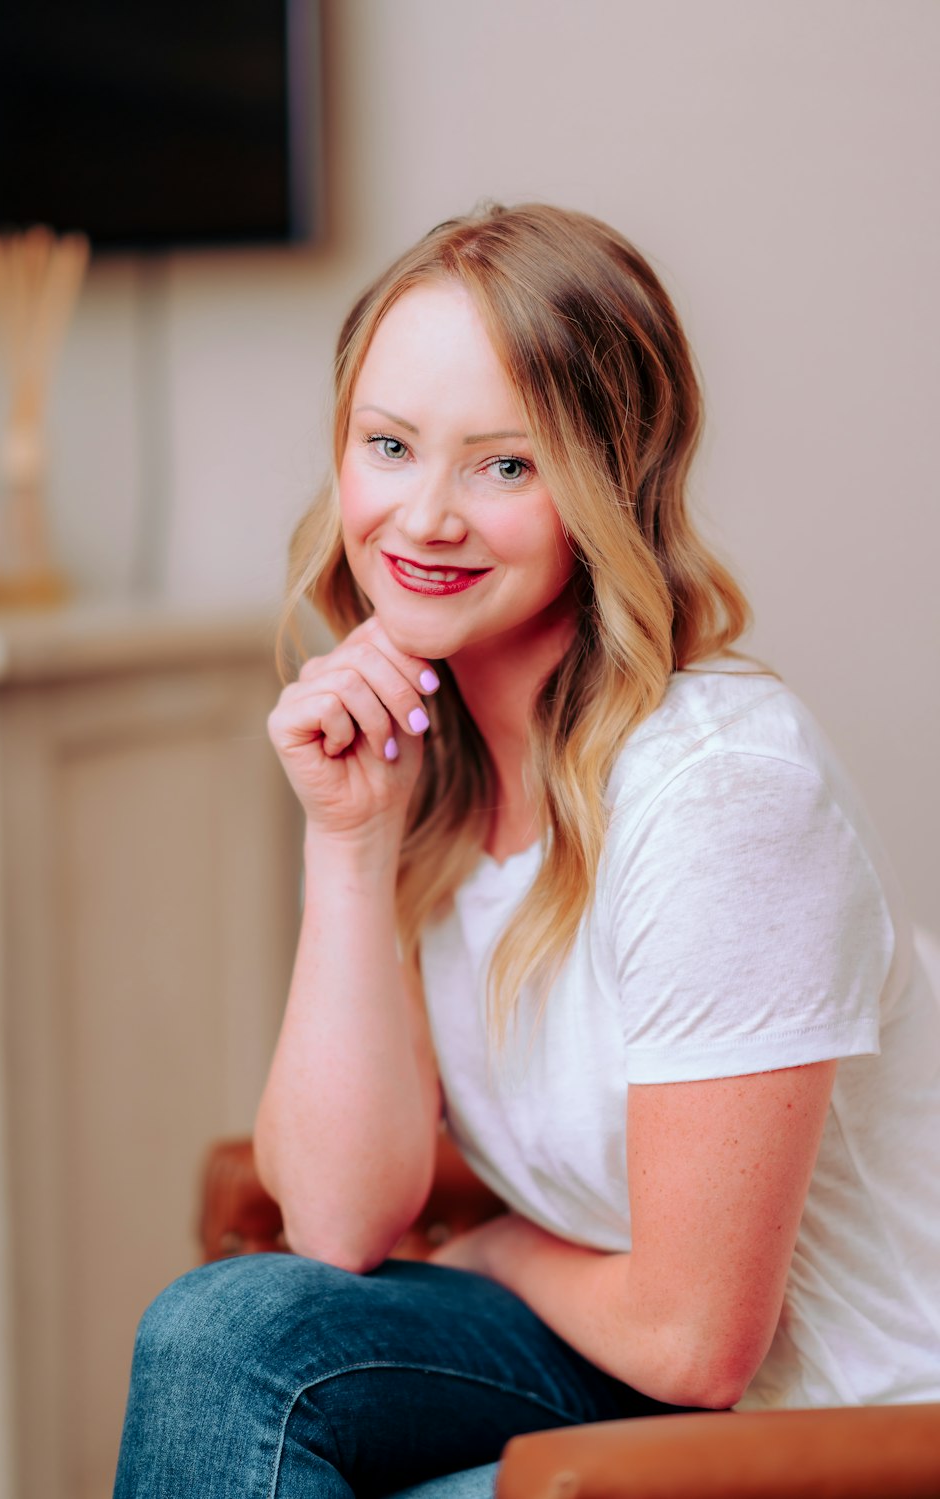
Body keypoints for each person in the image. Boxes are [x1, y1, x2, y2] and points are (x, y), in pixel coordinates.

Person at [113, 203, 940, 1499]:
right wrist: (349, 845)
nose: (424, 517)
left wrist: (494, 1250)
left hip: (829, 1427)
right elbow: (334, 1224)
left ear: (607, 485)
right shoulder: (429, 766)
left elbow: (699, 1339)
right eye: (389, 447)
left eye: (505, 465)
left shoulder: (720, 791)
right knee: (228, 1328)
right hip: (612, 1374)